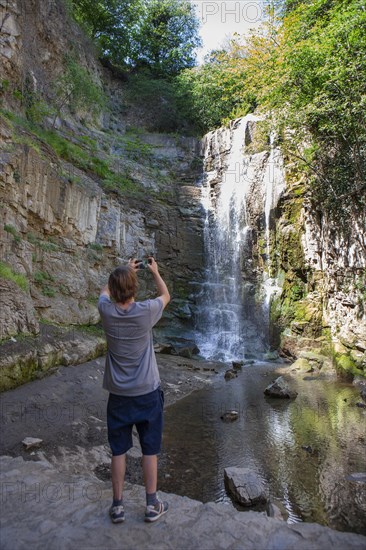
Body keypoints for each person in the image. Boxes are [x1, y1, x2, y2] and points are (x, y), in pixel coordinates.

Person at [98, 257, 170, 524]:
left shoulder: (106, 311)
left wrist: (124, 271)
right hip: (147, 392)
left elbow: (104, 292)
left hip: (118, 395)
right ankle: (152, 504)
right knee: (149, 450)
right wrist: (155, 271)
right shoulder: (146, 311)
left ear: (114, 290)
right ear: (134, 289)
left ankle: (118, 507)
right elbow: (165, 295)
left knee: (118, 450)